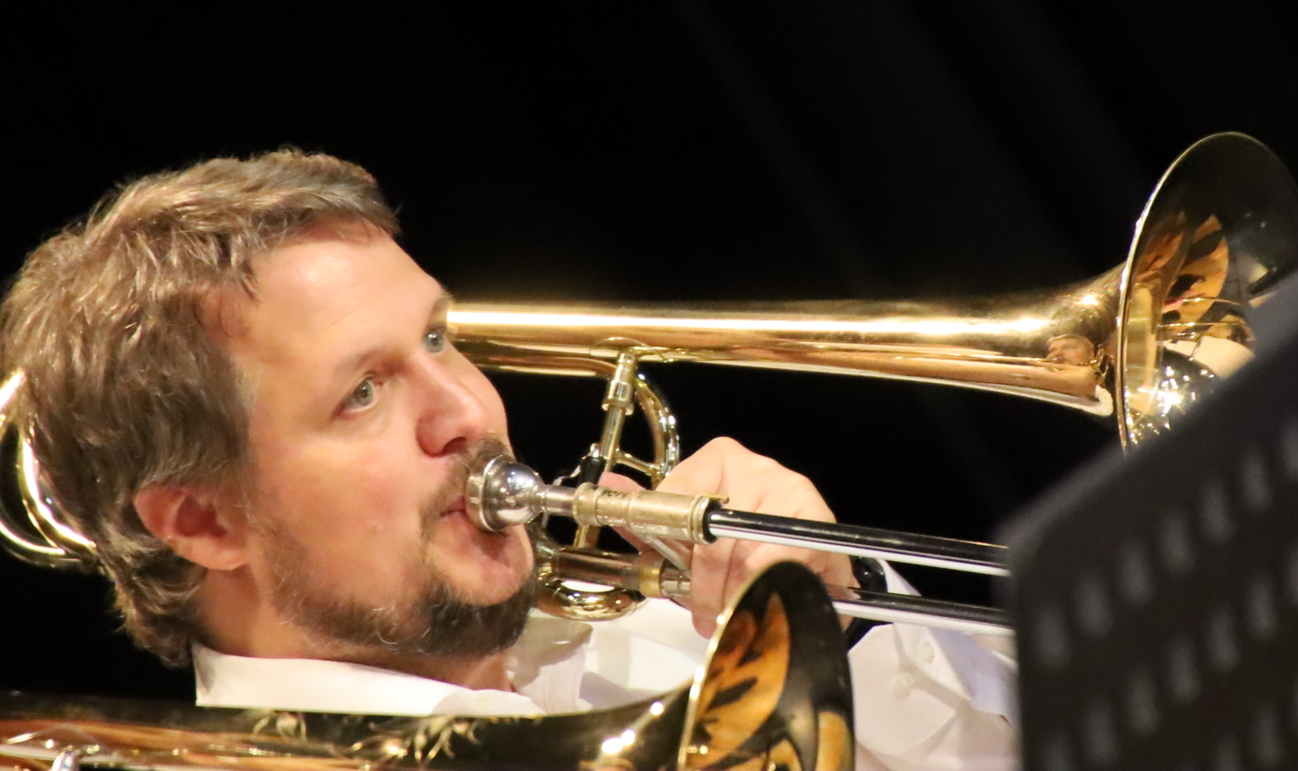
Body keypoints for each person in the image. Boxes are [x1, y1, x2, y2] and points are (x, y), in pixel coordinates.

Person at [0, 149, 1015, 770]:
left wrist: (847, 614)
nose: (467, 409)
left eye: (439, 339)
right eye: (362, 393)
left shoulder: (664, 624)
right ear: (203, 521)